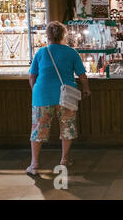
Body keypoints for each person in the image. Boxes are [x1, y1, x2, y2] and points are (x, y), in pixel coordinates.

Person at [27, 21, 91, 176]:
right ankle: (64, 160)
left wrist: (36, 90)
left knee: (38, 130)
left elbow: (32, 76)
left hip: (42, 95)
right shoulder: (71, 52)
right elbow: (82, 75)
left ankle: (35, 164)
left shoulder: (41, 53)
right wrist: (86, 89)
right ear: (64, 35)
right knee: (67, 127)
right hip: (66, 96)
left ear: (47, 36)